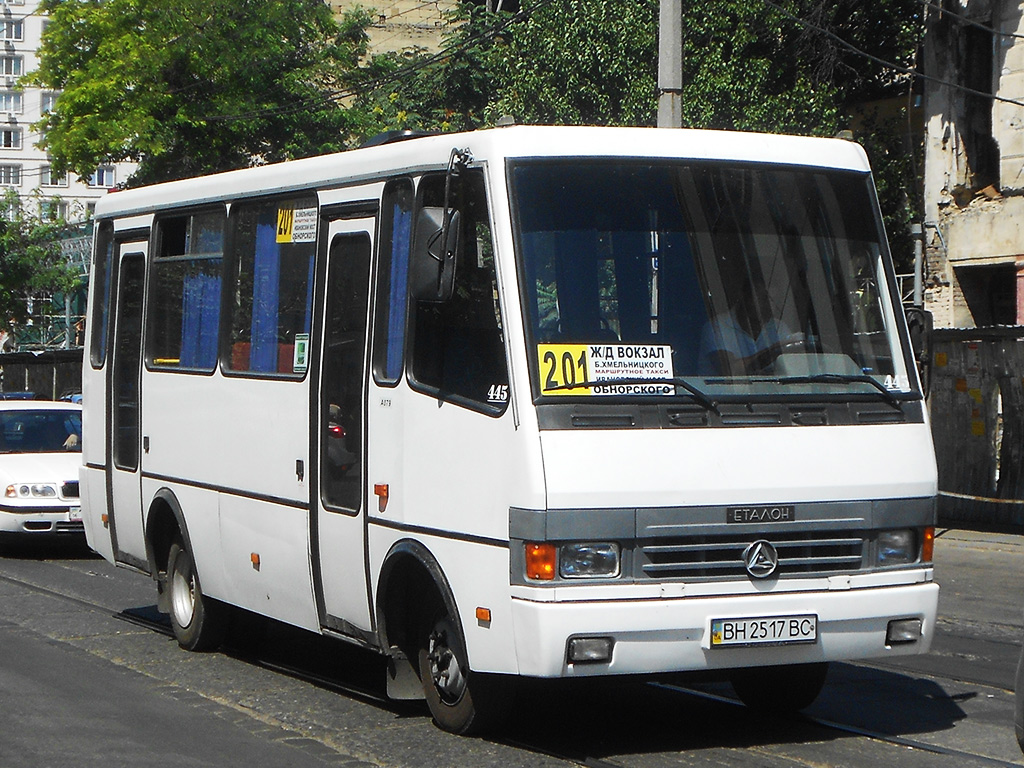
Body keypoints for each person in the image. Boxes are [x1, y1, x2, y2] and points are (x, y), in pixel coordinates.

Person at [698, 276, 796, 375]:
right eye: (764, 297)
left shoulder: (779, 327)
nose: (770, 305)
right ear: (744, 296)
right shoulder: (718, 327)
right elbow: (731, 370)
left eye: (775, 300)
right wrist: (775, 350)